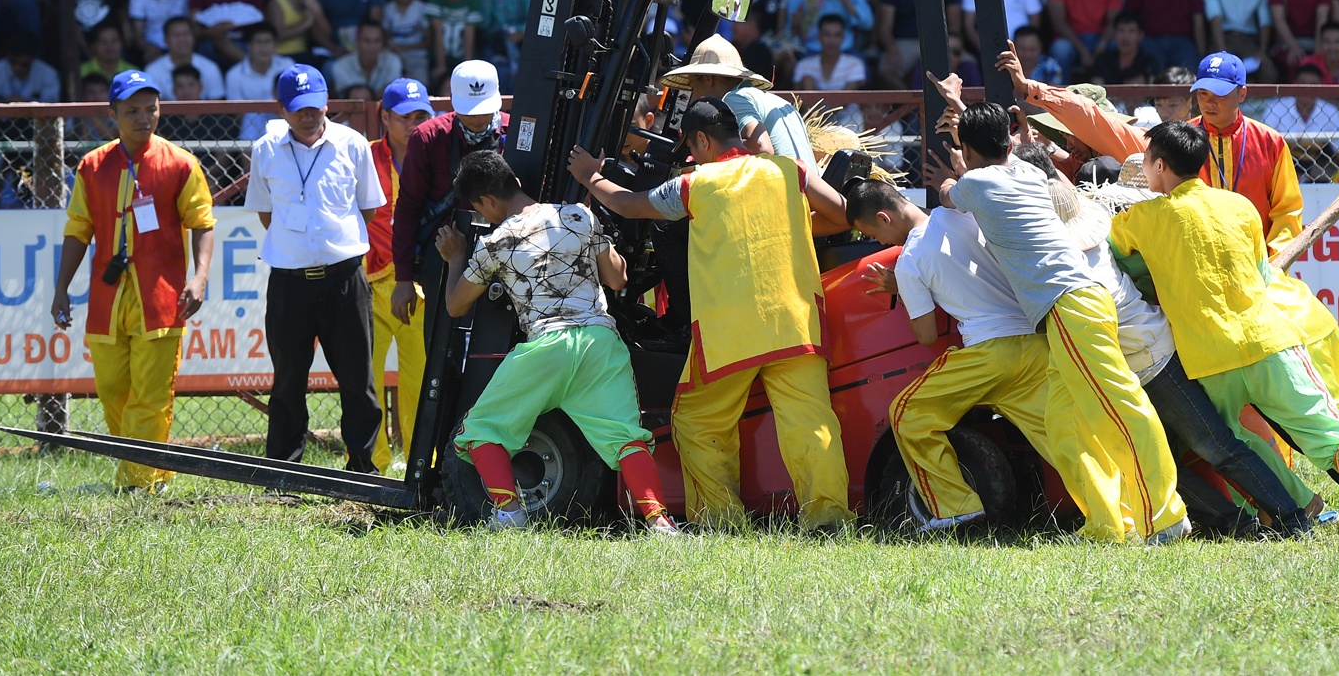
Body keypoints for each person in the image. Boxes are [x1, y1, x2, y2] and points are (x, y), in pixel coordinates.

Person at [1113, 122, 1339, 541]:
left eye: (1146, 161)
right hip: (1270, 341)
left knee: (1241, 447)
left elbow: (1119, 258)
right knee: (1335, 436)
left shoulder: (1139, 219)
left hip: (1211, 363)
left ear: (1159, 166)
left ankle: (1304, 504)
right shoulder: (1239, 206)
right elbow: (1260, 273)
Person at [570, 99, 854, 533]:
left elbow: (628, 206)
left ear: (701, 140)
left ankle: (723, 521)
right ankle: (828, 519)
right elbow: (839, 214)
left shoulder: (694, 184)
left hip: (729, 331)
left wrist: (590, 174)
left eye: (691, 147)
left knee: (697, 421)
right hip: (796, 322)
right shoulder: (789, 169)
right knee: (811, 422)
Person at [939, 98, 1189, 543]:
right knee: (1062, 420)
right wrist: (966, 126)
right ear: (1009, 140)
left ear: (970, 152)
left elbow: (948, 194)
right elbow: (1001, 153)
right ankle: (1107, 524)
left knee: (1121, 407)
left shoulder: (975, 183)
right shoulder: (1031, 172)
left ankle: (1166, 516)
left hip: (1068, 304)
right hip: (1076, 305)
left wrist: (957, 165)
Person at [437, 148, 675, 532]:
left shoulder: (496, 243)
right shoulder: (578, 216)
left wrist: (454, 258)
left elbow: (455, 306)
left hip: (548, 346)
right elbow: (618, 279)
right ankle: (660, 523)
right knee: (627, 437)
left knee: (481, 430)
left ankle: (510, 513)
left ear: (486, 200)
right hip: (600, 342)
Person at [849, 176, 1059, 534]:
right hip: (1037, 343)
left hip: (991, 355)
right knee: (1063, 436)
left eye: (872, 235)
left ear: (884, 219)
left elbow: (926, 334)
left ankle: (957, 509)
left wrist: (908, 291)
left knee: (907, 414)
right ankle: (1123, 506)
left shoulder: (909, 260)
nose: (879, 243)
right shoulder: (957, 215)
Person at [49, 69, 216, 492]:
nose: (145, 118)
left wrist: (199, 277)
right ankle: (146, 474)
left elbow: (202, 222)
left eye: (151, 108)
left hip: (161, 300)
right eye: (133, 111)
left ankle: (138, 484)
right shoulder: (92, 165)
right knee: (112, 391)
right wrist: (60, 288)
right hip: (107, 301)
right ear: (113, 113)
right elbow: (77, 230)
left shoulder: (180, 164)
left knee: (151, 394)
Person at [245, 64, 386, 472]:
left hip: (345, 278)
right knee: (288, 379)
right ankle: (284, 469)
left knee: (358, 379)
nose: (308, 116)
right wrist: (299, 249)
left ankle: (362, 467)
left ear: (327, 103)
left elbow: (369, 207)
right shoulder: (266, 149)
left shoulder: (352, 144)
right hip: (289, 282)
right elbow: (265, 213)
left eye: (314, 108)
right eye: (298, 109)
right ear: (282, 109)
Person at [361, 77, 435, 473]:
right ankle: (371, 463)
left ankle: (423, 464)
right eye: (404, 117)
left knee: (421, 382)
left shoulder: (436, 153)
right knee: (365, 381)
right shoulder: (363, 155)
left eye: (421, 115)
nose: (413, 125)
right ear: (385, 117)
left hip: (420, 286)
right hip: (368, 284)